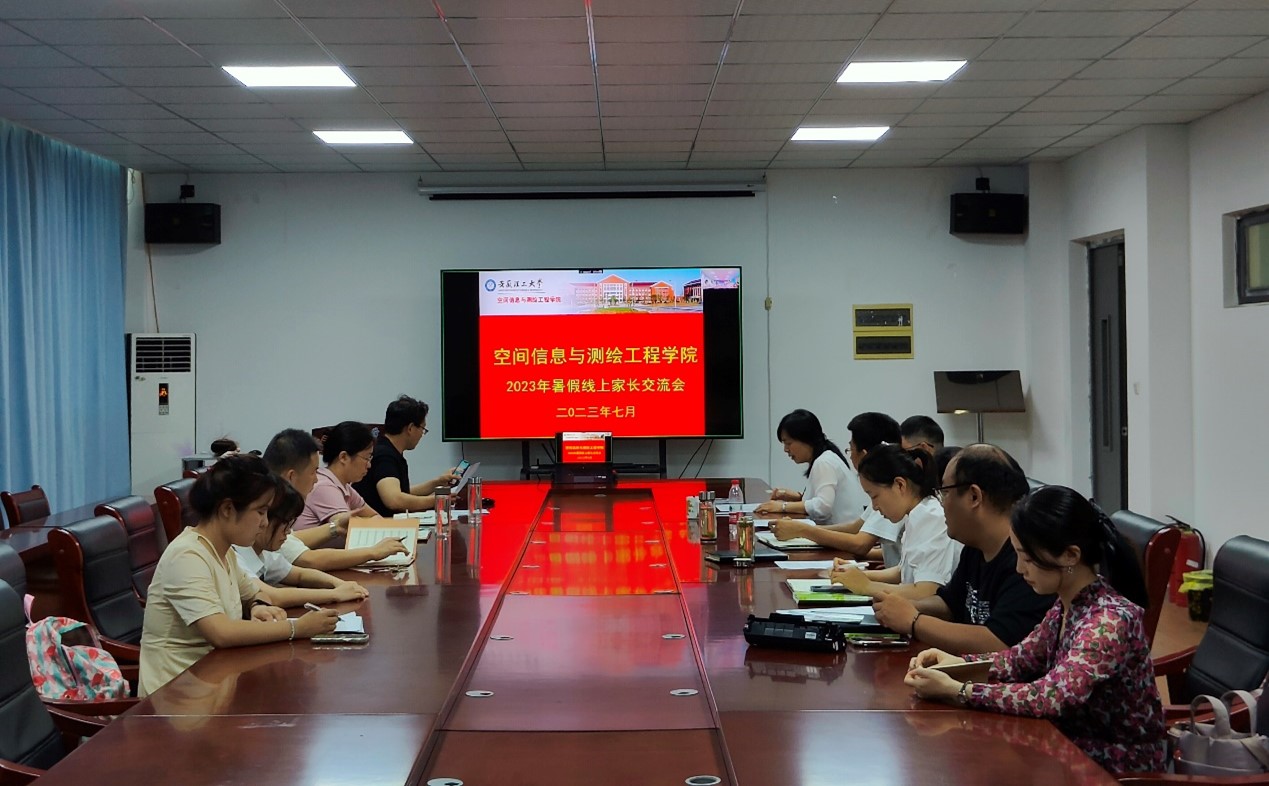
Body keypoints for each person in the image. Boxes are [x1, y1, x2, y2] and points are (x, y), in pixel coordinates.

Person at [904, 485, 1165, 774]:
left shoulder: (1107, 622)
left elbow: (1051, 697)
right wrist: (955, 664)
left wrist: (959, 690)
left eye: (1027, 558)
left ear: (1070, 555)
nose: (1019, 568)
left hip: (1114, 767)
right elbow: (1019, 659)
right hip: (1068, 749)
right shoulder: (1069, 604)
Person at [138, 454, 339, 696]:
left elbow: (254, 594)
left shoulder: (224, 551)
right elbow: (221, 632)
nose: (264, 523)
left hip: (215, 684)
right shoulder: (187, 556)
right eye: (261, 512)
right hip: (175, 700)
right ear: (227, 509)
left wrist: (257, 606)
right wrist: (297, 627)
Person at [872, 444, 1054, 653]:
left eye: (944, 492)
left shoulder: (1027, 559)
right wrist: (900, 607)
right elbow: (950, 604)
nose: (941, 504)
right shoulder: (976, 546)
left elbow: (1000, 642)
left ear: (974, 496)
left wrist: (914, 621)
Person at [262, 428, 408, 571]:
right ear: (291, 477)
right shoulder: (265, 514)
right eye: (313, 472)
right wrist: (373, 552)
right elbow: (308, 559)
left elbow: (293, 541)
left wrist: (336, 527)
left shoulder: (276, 509)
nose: (316, 479)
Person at [828, 444, 961, 599]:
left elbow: (927, 591)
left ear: (900, 485)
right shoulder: (916, 515)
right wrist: (855, 574)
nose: (874, 506)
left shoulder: (932, 518)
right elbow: (902, 571)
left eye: (874, 496)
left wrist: (867, 586)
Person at [767, 412, 900, 557]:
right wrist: (801, 529)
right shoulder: (887, 489)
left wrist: (802, 530)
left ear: (865, 455)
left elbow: (860, 544)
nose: (786, 449)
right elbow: (855, 527)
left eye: (851, 448)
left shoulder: (892, 493)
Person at [234, 477, 370, 607]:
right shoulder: (236, 555)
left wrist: (340, 584)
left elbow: (300, 575)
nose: (288, 532)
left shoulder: (263, 552)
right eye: (285, 524)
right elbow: (274, 597)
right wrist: (334, 594)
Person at [354, 396, 459, 517]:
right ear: (410, 428)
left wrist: (438, 482)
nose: (422, 434)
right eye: (422, 429)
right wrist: (437, 500)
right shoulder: (384, 456)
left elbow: (403, 492)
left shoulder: (388, 450)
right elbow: (394, 500)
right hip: (378, 525)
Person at [754, 409, 856, 524]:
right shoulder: (826, 457)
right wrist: (797, 498)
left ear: (806, 439)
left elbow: (823, 507)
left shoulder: (824, 462)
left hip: (839, 533)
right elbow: (824, 501)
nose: (786, 449)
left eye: (788, 443)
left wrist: (782, 506)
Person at [295, 421, 378, 531]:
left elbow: (375, 517)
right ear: (343, 457)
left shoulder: (344, 486)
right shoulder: (323, 486)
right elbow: (348, 527)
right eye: (366, 458)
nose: (369, 465)